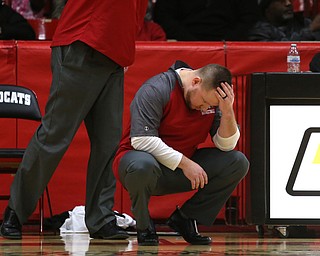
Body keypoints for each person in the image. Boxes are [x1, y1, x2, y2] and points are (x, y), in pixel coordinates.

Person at [0, 0, 148, 240]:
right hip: (83, 41)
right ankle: (15, 211)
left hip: (115, 52)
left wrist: (124, 44)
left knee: (109, 142)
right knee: (55, 135)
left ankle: (100, 219)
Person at [112, 60, 249, 246]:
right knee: (142, 165)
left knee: (237, 162)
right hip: (139, 165)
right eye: (204, 102)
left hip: (177, 169)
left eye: (210, 106)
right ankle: (144, 226)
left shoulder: (212, 101)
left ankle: (185, 218)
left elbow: (226, 145)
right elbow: (141, 140)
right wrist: (186, 163)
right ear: (195, 82)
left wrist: (227, 112)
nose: (204, 108)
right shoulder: (156, 88)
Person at [153, 0, 259, 41]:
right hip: (183, 43)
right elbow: (163, 16)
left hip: (230, 46)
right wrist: (190, 41)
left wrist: (226, 43)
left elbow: (249, 17)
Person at [248, 0, 320, 41]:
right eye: (281, 1)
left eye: (290, 0)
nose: (288, 3)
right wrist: (310, 30)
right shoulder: (258, 32)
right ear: (267, 9)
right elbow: (280, 51)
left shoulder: (303, 22)